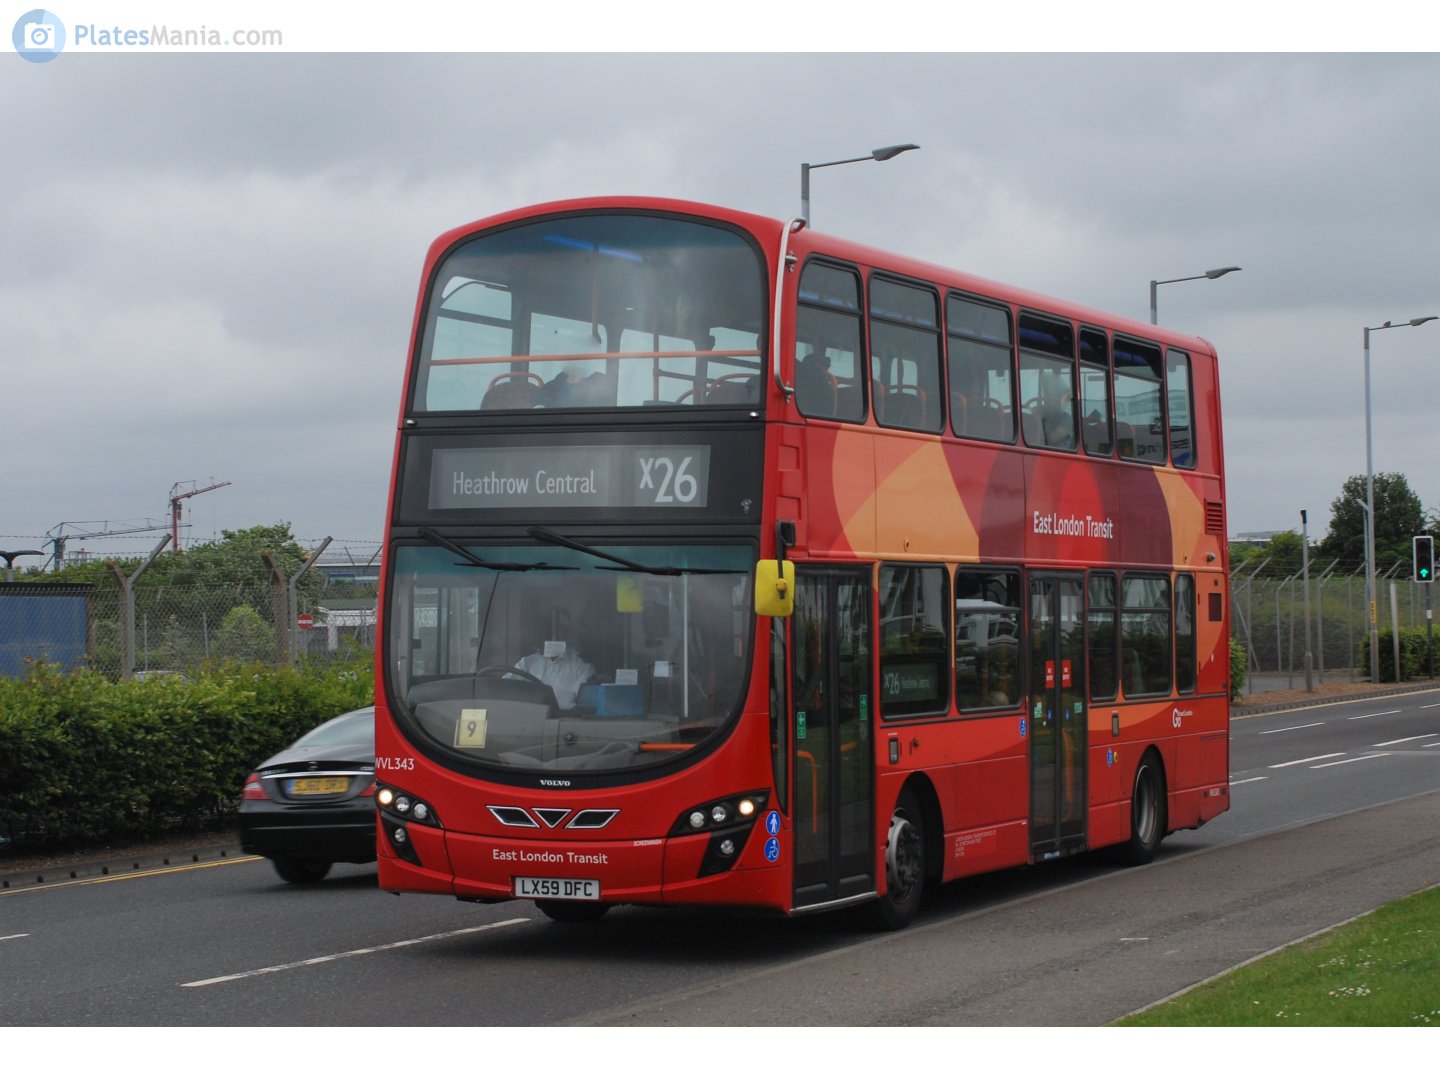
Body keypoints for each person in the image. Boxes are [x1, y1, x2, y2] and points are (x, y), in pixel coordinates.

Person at [513, 640, 596, 710]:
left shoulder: (582, 667)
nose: (552, 637)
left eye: (557, 631)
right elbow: (505, 691)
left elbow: (583, 707)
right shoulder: (526, 663)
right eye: (548, 630)